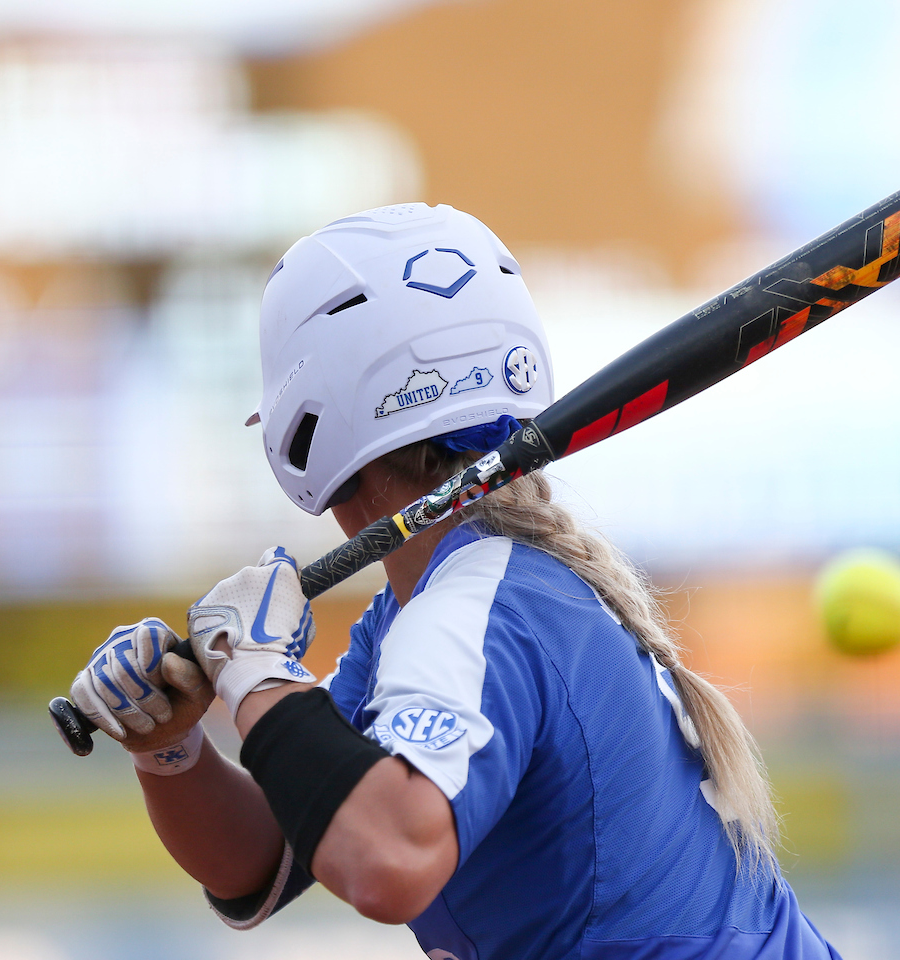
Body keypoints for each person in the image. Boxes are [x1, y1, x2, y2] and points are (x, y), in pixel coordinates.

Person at [70, 203, 842, 959]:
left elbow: (390, 862)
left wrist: (259, 673)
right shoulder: (440, 605)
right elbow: (273, 854)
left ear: (312, 424)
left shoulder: (477, 606)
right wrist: (172, 751)